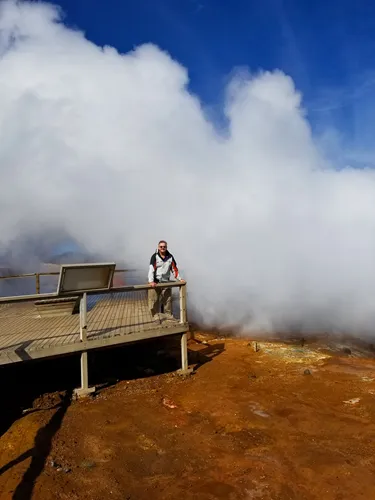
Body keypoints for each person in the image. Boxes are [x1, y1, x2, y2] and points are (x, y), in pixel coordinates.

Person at [148, 240, 185, 320]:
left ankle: (168, 316)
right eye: (161, 246)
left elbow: (174, 269)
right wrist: (151, 281)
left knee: (167, 300)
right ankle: (155, 316)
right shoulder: (154, 256)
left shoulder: (170, 257)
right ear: (158, 247)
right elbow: (151, 269)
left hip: (166, 282)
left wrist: (180, 279)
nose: (162, 248)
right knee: (155, 300)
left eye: (164, 246)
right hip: (156, 282)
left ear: (166, 247)